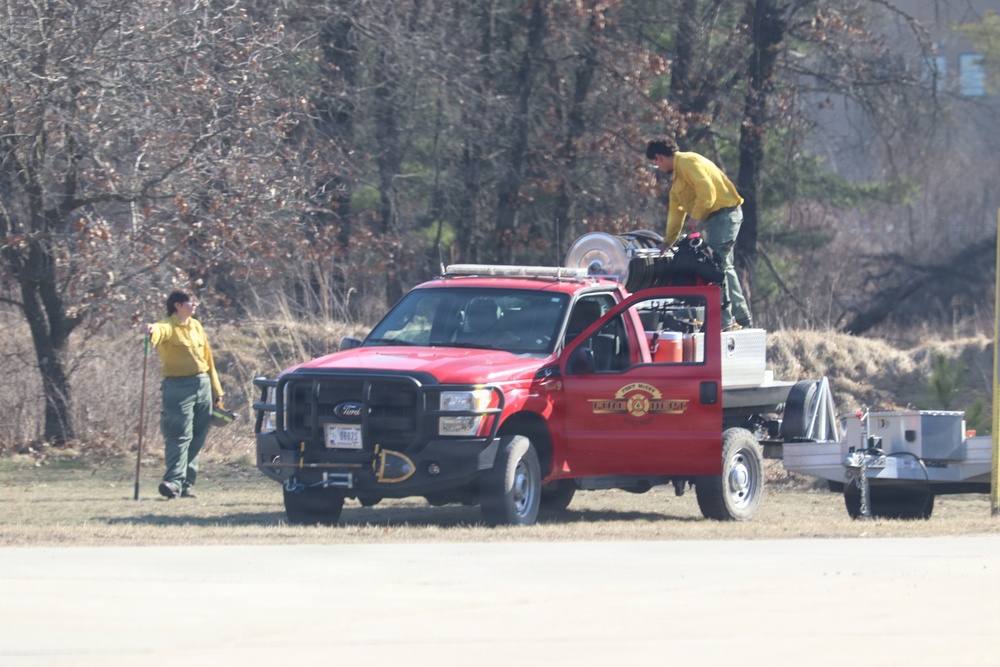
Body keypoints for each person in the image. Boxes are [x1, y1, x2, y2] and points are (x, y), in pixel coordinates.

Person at [646, 138, 753, 330]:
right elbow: (676, 213)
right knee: (725, 267)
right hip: (718, 219)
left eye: (656, 163)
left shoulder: (687, 162)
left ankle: (723, 321)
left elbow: (707, 192)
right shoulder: (679, 179)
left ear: (660, 157)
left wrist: (695, 217)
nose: (658, 168)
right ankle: (742, 317)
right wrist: (667, 243)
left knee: (713, 266)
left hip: (724, 216)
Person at [140, 291, 225, 499]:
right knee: (179, 434)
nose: (194, 304)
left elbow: (208, 360)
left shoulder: (196, 326)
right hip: (178, 387)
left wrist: (217, 391)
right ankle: (173, 482)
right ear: (177, 305)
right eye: (190, 302)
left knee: (198, 435)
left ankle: (186, 484)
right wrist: (150, 330)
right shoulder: (167, 325)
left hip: (203, 384)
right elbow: (159, 331)